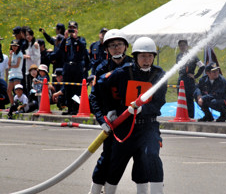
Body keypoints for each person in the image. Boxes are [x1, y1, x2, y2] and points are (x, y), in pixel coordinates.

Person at [94, 37, 166, 194]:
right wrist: (110, 110)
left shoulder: (159, 74)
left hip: (148, 126)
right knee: (115, 164)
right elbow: (100, 84)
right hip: (125, 126)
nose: (147, 60)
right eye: (142, 56)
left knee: (151, 156)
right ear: (135, 57)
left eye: (150, 56)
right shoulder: (123, 72)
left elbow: (159, 102)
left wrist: (143, 109)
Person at [88, 29, 134, 194]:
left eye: (119, 44)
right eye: (112, 45)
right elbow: (94, 98)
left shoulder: (133, 65)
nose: (116, 48)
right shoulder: (100, 68)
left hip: (131, 121)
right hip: (111, 122)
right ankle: (95, 190)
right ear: (106, 49)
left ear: (125, 47)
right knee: (107, 156)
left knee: (126, 159)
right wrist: (102, 121)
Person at [58, 21, 89, 115]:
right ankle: (69, 108)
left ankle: (76, 108)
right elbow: (60, 50)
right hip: (68, 66)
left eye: (73, 28)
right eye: (70, 28)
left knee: (76, 88)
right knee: (67, 88)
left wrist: (76, 38)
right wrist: (65, 38)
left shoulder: (81, 40)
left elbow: (84, 50)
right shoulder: (66, 40)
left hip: (77, 66)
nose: (71, 30)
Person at [176, 40, 204, 118]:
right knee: (180, 98)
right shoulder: (178, 56)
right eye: (180, 45)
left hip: (189, 80)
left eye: (183, 45)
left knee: (189, 99)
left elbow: (202, 66)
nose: (182, 47)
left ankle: (190, 116)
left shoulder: (192, 56)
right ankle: (181, 115)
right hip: (181, 80)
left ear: (187, 46)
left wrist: (195, 76)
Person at [24, 28, 41, 94]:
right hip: (28, 68)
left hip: (34, 69)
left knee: (35, 87)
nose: (28, 37)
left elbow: (37, 56)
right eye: (26, 35)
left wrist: (27, 57)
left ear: (33, 35)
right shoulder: (27, 44)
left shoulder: (35, 44)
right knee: (29, 87)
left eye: (29, 35)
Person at [7, 40, 24, 105]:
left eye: (15, 46)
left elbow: (17, 65)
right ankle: (12, 104)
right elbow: (9, 64)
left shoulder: (20, 54)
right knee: (9, 90)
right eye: (13, 46)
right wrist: (10, 55)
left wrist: (11, 66)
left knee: (17, 90)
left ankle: (18, 104)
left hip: (17, 74)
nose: (14, 47)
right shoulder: (12, 54)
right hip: (11, 74)